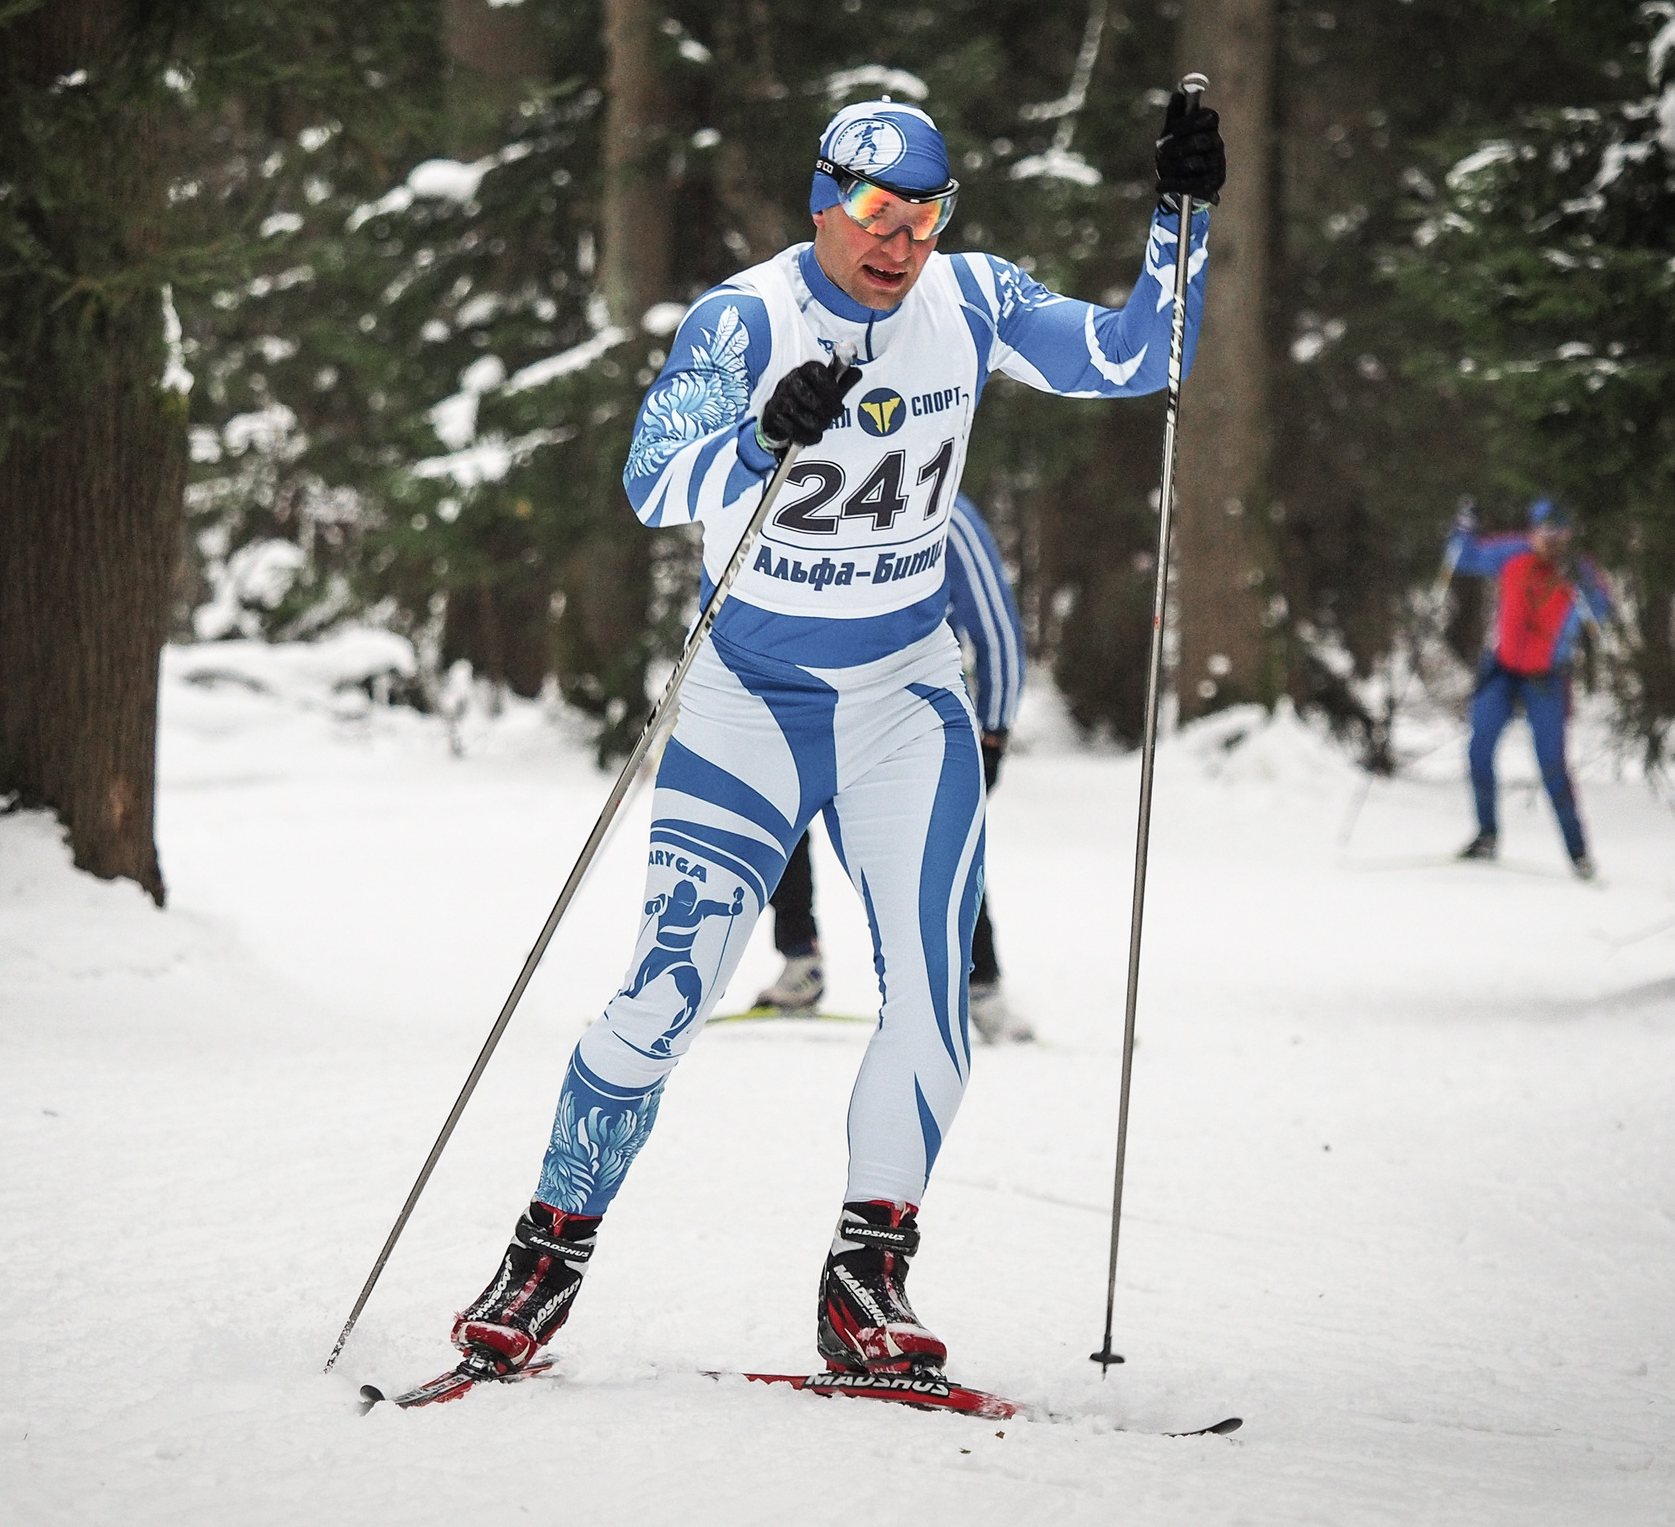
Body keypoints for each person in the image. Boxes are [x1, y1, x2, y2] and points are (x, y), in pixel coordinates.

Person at [448, 90, 1223, 1384]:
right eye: (873, 209)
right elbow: (652, 478)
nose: (898, 237)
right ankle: (546, 1251)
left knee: (932, 989)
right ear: (822, 200)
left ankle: (869, 1276)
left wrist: (1177, 222)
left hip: (902, 697)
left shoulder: (971, 299)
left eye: (924, 214)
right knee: (663, 993)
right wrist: (759, 435)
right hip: (746, 697)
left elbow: (1139, 357)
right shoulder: (744, 314)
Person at [754, 493, 1035, 1044]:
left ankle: (982, 990)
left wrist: (995, 730)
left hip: (906, 716)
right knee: (774, 815)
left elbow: (997, 628)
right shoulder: (804, 495)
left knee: (938, 845)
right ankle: (799, 962)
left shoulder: (946, 511)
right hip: (805, 701)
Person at [1445, 499, 1613, 879]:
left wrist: (1583, 585)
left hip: (1546, 678)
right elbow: (1462, 558)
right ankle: (1486, 835)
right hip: (1502, 671)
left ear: (1568, 535)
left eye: (1558, 535)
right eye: (1543, 533)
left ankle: (1578, 853)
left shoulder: (1578, 570)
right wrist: (1461, 527)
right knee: (1478, 748)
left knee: (1552, 764)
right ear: (1533, 531)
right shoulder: (1512, 553)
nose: (1550, 542)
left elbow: (1602, 611)